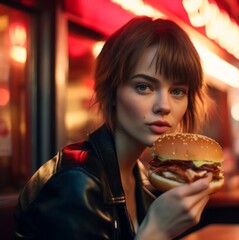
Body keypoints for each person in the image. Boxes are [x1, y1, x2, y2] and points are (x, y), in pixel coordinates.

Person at [14, 16, 214, 240]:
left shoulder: (139, 174)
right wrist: (157, 230)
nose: (164, 106)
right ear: (112, 92)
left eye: (177, 91)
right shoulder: (76, 182)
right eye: (143, 87)